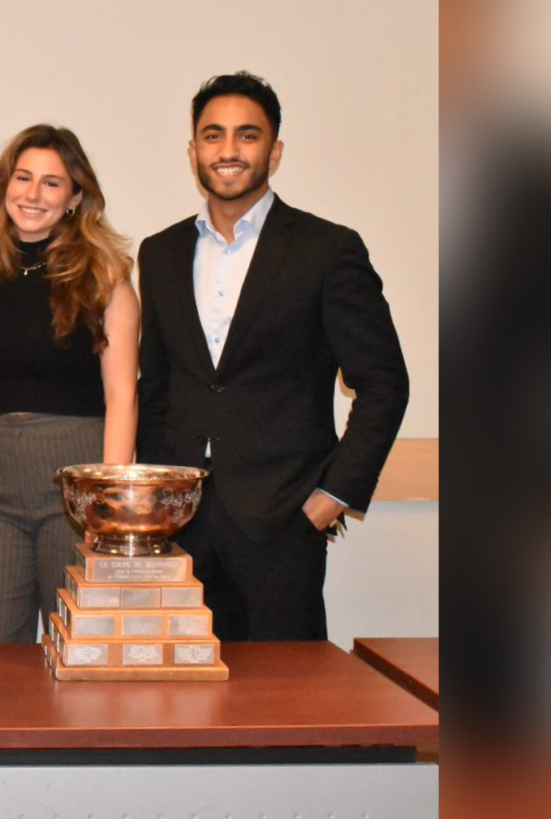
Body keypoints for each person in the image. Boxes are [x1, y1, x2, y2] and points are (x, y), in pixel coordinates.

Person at [137, 71, 409, 641]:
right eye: (213, 135)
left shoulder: (327, 249)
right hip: (182, 525)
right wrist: (158, 504)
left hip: (284, 521)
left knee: (289, 693)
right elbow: (157, 386)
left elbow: (384, 383)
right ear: (193, 151)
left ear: (275, 151)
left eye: (247, 135)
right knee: (182, 689)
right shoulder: (160, 253)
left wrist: (329, 500)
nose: (228, 150)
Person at [0, 125, 138, 643]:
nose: (32, 194)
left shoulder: (105, 276)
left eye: (51, 183)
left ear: (74, 197)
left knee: (79, 643)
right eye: (22, 178)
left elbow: (122, 394)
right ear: (4, 185)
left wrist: (109, 501)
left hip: (76, 484)